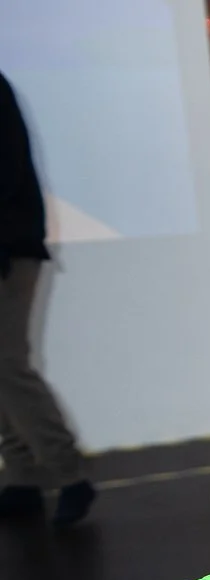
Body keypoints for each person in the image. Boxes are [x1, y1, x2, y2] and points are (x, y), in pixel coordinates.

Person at [0, 70, 93, 526]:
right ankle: (22, 478)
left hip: (9, 250)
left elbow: (6, 169)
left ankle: (70, 475)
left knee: (8, 364)